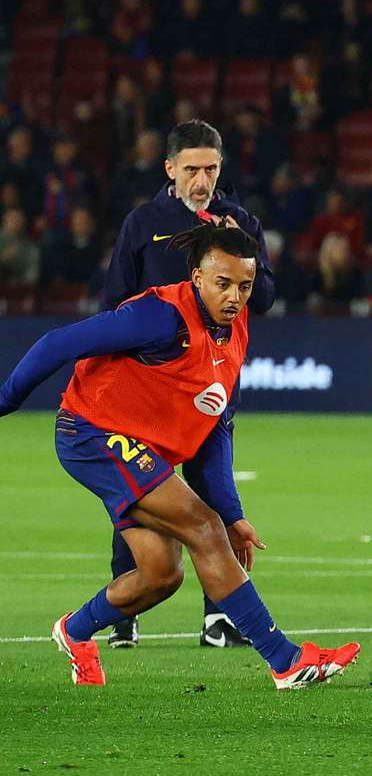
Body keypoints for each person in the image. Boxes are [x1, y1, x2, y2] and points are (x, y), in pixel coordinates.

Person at [0, 224, 359, 689]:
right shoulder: (160, 317)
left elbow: (216, 426)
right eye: (223, 283)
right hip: (91, 432)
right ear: (197, 277)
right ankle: (286, 661)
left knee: (161, 575)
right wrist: (5, 401)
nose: (234, 297)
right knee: (202, 528)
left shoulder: (235, 329)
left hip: (139, 447)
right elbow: (58, 344)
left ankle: (74, 631)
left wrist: (233, 512)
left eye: (245, 287)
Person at [101, 118, 275, 650]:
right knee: (138, 497)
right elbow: (115, 299)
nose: (203, 180)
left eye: (212, 168)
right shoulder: (144, 222)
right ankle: (124, 610)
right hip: (148, 393)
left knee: (212, 494)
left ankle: (219, 617)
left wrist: (231, 244)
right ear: (170, 168)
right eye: (193, 169)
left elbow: (264, 295)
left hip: (210, 389)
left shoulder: (239, 220)